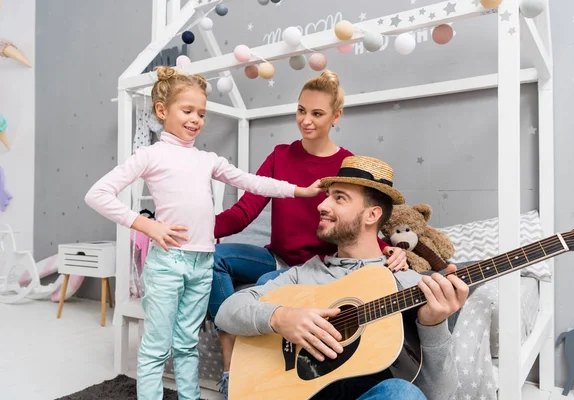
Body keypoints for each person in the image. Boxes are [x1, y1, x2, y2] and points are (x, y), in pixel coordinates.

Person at [84, 66, 323, 400]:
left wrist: (299, 190)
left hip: (202, 262)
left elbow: (251, 181)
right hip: (168, 263)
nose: (196, 119)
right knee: (156, 346)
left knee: (186, 343)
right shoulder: (150, 155)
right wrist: (146, 224)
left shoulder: (207, 159)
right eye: (187, 111)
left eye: (201, 113)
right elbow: (97, 194)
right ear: (162, 111)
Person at [209, 71, 410, 398]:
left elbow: (360, 224)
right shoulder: (280, 155)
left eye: (316, 113)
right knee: (215, 259)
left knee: (263, 289)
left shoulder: (347, 165)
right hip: (276, 259)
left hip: (320, 269)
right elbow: (244, 212)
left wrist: (390, 250)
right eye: (301, 110)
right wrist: (194, 230)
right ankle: (231, 361)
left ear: (335, 116)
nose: (306, 120)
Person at [215, 155, 469, 400]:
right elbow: (227, 311)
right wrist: (280, 317)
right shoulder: (302, 274)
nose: (321, 205)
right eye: (327, 197)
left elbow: (439, 394)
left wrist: (433, 326)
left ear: (372, 215)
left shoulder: (409, 284)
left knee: (403, 394)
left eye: (339, 198)